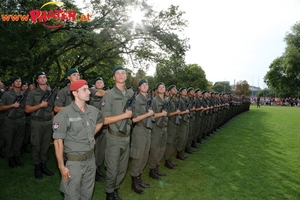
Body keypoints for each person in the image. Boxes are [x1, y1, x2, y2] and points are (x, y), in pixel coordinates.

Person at [52, 79, 104, 200]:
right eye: (84, 90)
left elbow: (101, 121)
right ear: (75, 93)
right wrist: (61, 167)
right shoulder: (64, 114)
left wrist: (91, 135)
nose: (89, 92)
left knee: (87, 195)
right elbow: (58, 142)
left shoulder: (93, 110)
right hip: (74, 164)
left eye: (88, 89)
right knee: (72, 196)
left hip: (90, 161)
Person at [101, 66, 133, 200]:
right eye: (117, 73)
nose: (121, 75)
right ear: (114, 77)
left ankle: (115, 190)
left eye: (123, 73)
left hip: (127, 137)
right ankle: (109, 193)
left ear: (126, 76)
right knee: (112, 168)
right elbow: (104, 120)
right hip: (114, 137)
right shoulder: (109, 94)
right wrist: (125, 116)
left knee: (122, 169)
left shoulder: (131, 94)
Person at [25, 71, 57, 179]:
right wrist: (40, 105)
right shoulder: (32, 93)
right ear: (37, 81)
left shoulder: (51, 92)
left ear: (46, 79)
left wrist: (53, 122)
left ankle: (43, 165)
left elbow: (52, 109)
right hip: (37, 122)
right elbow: (27, 109)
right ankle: (37, 167)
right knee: (36, 145)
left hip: (48, 122)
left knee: (45, 146)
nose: (43, 79)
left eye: (44, 77)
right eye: (40, 78)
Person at [130, 79, 154, 194]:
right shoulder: (136, 99)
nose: (145, 86)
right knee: (138, 157)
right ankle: (134, 182)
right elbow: (134, 119)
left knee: (144, 157)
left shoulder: (149, 99)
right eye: (142, 85)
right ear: (139, 87)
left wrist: (151, 115)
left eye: (146, 84)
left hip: (148, 131)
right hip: (139, 130)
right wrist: (148, 114)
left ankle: (139, 178)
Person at [0, 76, 26, 168]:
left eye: (20, 81)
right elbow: (1, 107)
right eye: (16, 81)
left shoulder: (24, 94)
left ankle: (16, 157)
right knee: (9, 139)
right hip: (10, 120)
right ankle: (10, 158)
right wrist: (12, 105)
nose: (19, 82)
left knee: (19, 139)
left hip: (21, 119)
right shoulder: (6, 95)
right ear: (12, 84)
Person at [148, 82, 169, 180]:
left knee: (162, 149)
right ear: (157, 90)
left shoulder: (165, 100)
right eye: (159, 87)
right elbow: (152, 115)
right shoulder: (154, 101)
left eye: (163, 87)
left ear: (165, 89)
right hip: (156, 128)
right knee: (155, 149)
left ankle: (156, 167)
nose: (161, 88)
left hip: (164, 127)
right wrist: (162, 114)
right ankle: (152, 170)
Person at [89, 77, 107, 182]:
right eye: (97, 81)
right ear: (94, 84)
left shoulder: (106, 95)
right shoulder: (91, 92)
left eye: (101, 81)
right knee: (94, 150)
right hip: (94, 126)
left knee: (101, 150)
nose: (100, 83)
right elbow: (100, 93)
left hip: (104, 126)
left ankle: (98, 168)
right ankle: (92, 171)